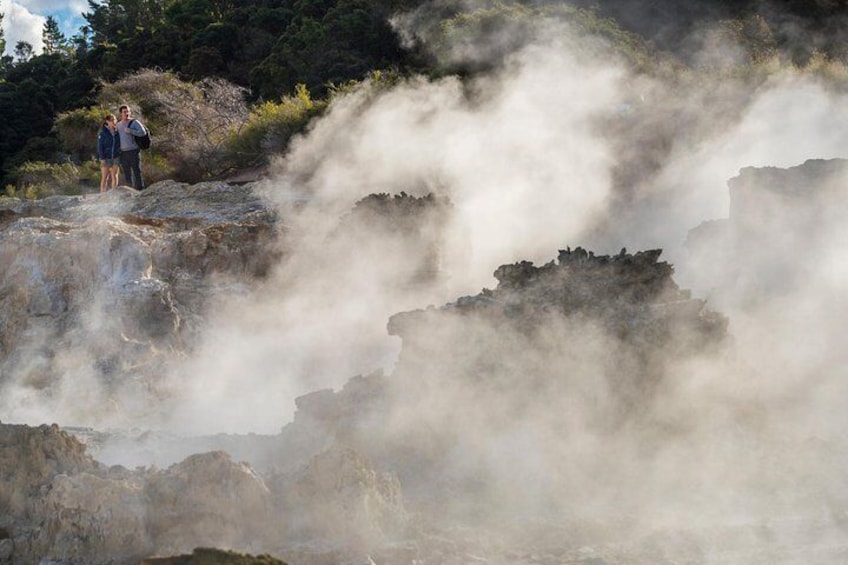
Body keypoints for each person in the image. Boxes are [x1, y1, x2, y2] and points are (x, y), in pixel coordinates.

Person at [116, 104, 148, 190]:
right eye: (124, 112)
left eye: (128, 111)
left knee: (137, 171)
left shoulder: (134, 122)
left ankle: (140, 190)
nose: (126, 113)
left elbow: (143, 132)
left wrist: (131, 131)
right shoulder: (118, 125)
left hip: (133, 150)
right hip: (123, 152)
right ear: (120, 113)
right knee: (127, 173)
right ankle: (129, 191)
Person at [97, 113, 120, 192]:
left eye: (114, 120)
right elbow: (100, 146)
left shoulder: (117, 131)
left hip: (116, 156)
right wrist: (102, 158)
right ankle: (102, 193)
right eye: (111, 120)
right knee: (105, 177)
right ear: (107, 121)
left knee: (115, 175)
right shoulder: (103, 133)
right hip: (106, 157)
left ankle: (114, 192)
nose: (113, 122)